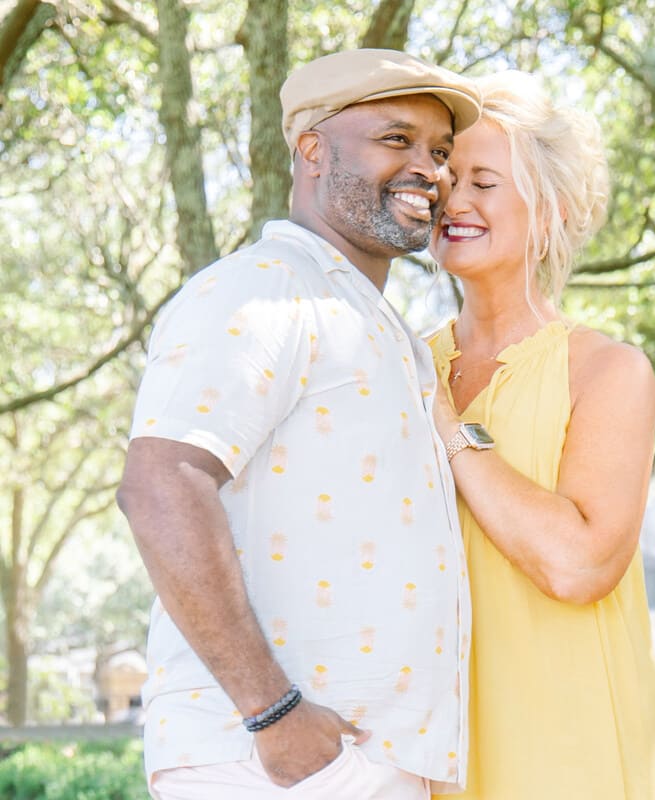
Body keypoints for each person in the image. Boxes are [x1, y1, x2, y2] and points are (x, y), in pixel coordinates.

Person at [116, 49, 480, 799]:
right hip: (273, 764)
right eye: (396, 139)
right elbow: (160, 483)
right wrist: (274, 716)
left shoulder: (379, 325)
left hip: (351, 764)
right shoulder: (261, 290)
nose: (431, 170)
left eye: (440, 151)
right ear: (312, 148)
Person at [426, 70, 655, 799]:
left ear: (552, 210)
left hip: (569, 751)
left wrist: (447, 426)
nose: (453, 200)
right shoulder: (400, 360)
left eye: (484, 182)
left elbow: (580, 566)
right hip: (433, 756)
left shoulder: (608, 372)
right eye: (444, 176)